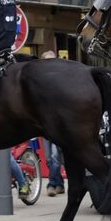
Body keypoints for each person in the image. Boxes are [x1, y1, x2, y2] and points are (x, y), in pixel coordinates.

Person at [40, 50, 68, 196]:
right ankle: (60, 184)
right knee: (49, 159)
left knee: (56, 157)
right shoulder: (39, 82)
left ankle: (51, 185)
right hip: (44, 126)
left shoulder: (61, 81)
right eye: (47, 61)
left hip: (57, 126)